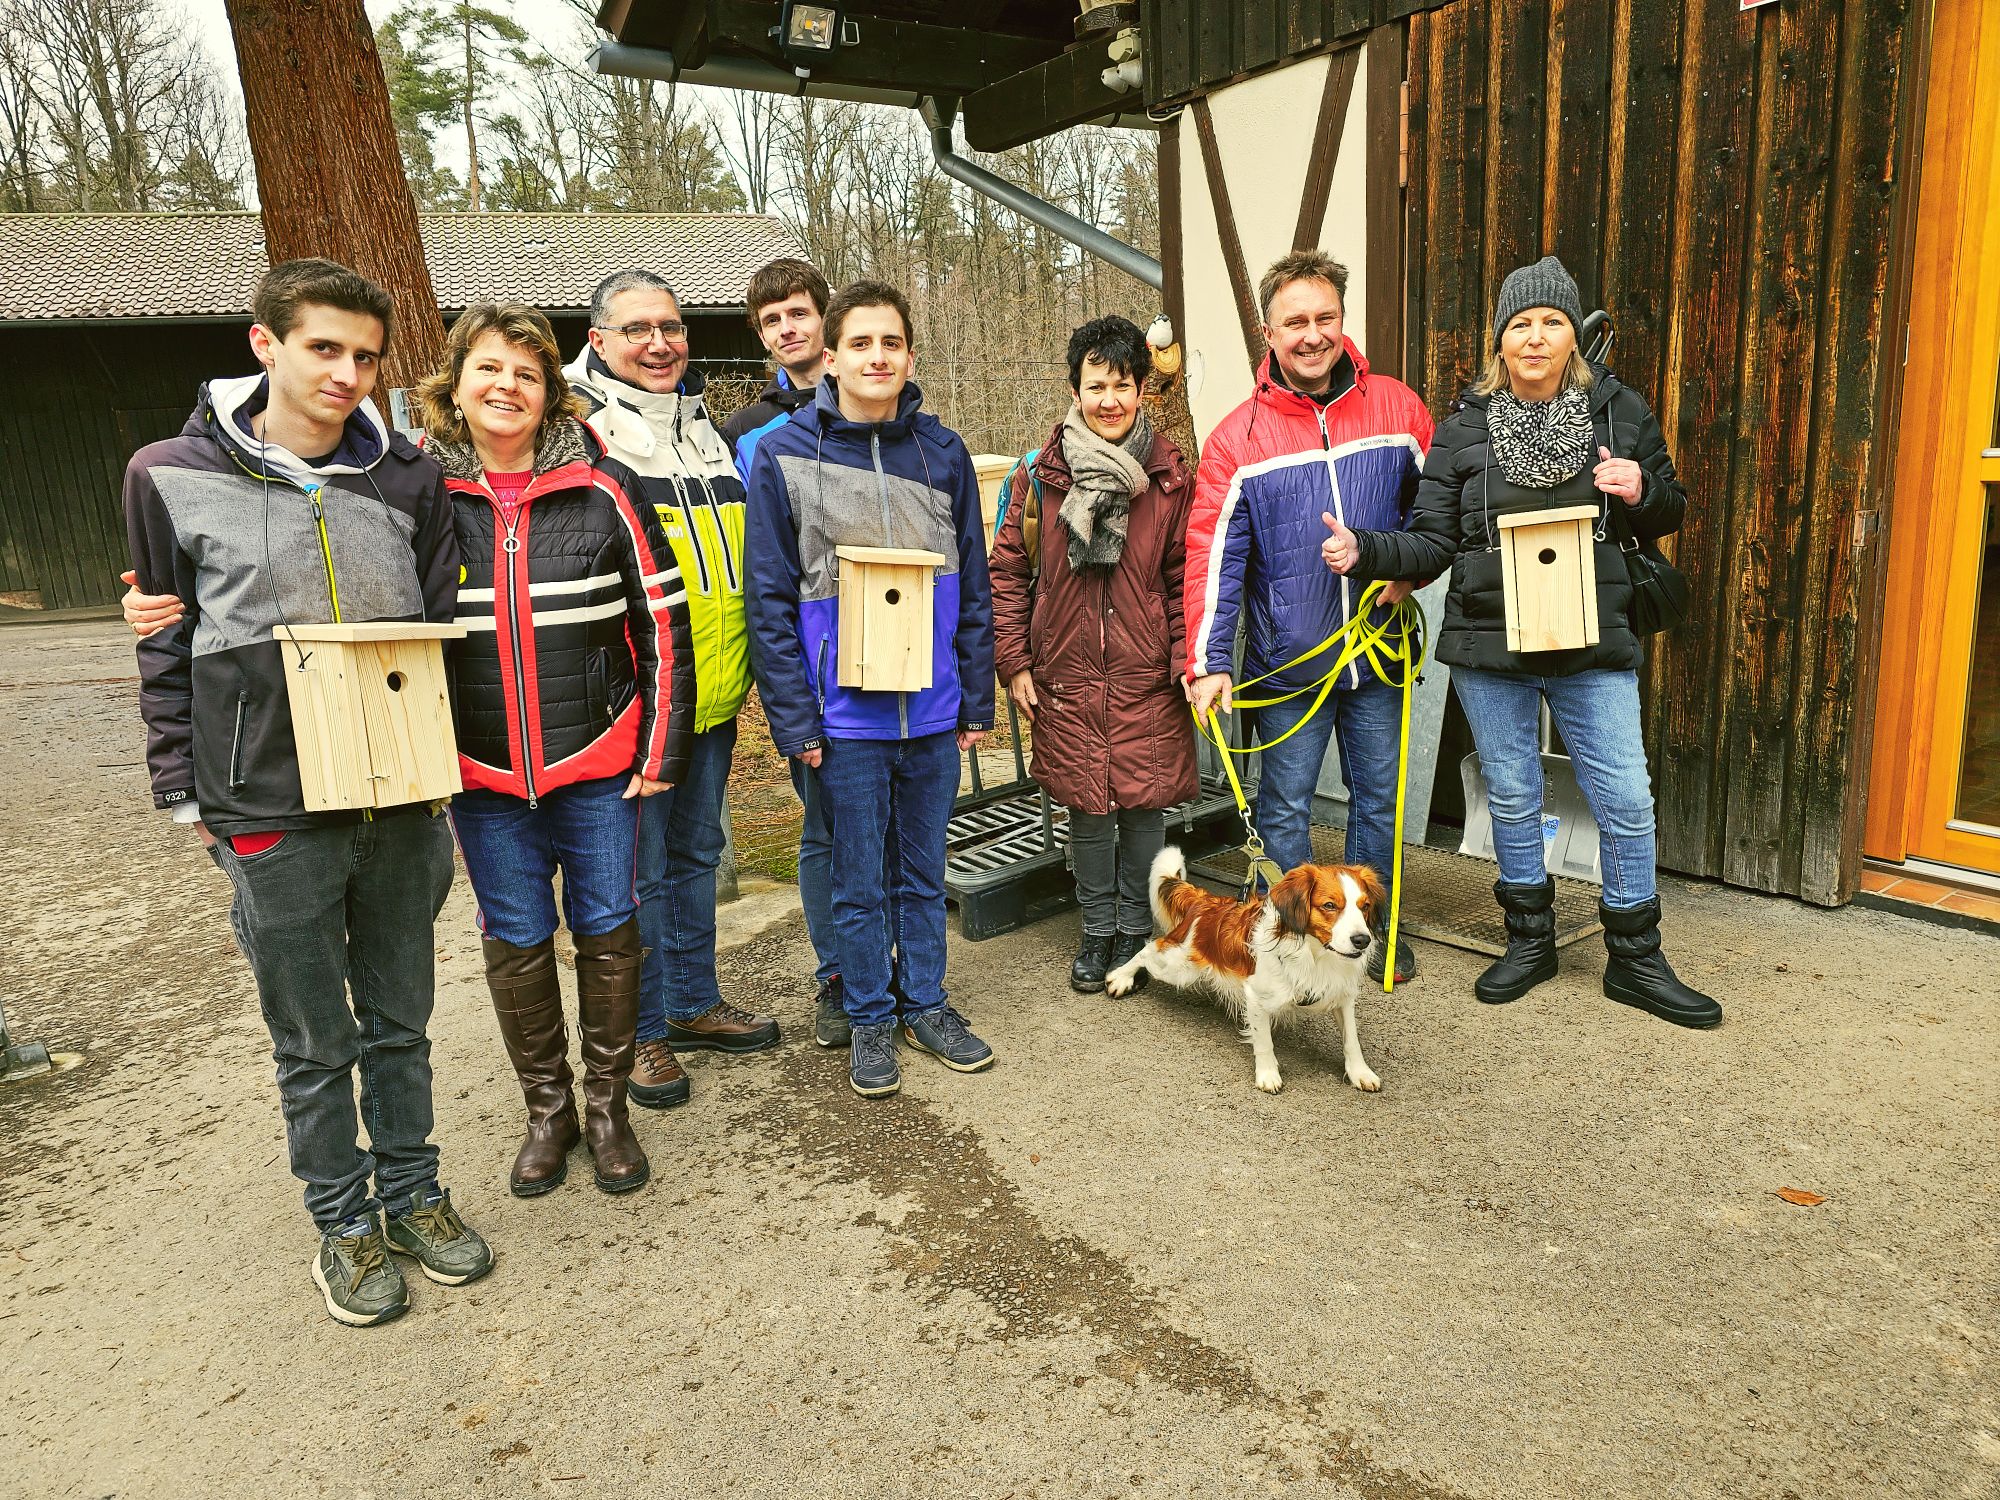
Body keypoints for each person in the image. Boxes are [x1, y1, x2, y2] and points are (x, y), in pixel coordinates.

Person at [121, 258, 491, 1329]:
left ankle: (414, 1194)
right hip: (268, 810)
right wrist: (186, 790)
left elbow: (431, 637)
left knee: (400, 1021)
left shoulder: (410, 480)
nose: (346, 373)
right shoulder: (167, 474)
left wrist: (440, 774)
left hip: (400, 800)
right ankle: (343, 1220)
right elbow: (165, 640)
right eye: (323, 348)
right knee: (311, 1037)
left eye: (366, 357)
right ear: (265, 343)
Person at [1323, 256, 1720, 1028]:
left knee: (1626, 798)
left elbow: (1668, 509)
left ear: (1573, 335)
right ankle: (1529, 941)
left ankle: (1636, 958)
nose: (1535, 338)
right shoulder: (1464, 430)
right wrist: (1367, 552)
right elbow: (1432, 540)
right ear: (1500, 341)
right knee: (1512, 793)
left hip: (1591, 640)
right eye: (1520, 325)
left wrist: (1641, 490)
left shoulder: (1619, 412)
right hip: (1491, 644)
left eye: (1551, 323)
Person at [419, 303, 683, 1195]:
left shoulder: (605, 489)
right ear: (455, 386)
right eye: (490, 369)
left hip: (597, 763)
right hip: (482, 774)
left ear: (551, 393)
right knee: (519, 940)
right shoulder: (420, 496)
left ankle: (607, 1107)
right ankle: (549, 1110)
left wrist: (658, 745)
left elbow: (663, 628)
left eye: (528, 374)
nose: (508, 388)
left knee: (609, 930)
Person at [743, 280, 997, 1099]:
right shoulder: (786, 455)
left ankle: (926, 1004)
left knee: (922, 873)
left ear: (910, 356)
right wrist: (794, 719)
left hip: (930, 708)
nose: (877, 357)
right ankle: (870, 1017)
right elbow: (769, 600)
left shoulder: (944, 453)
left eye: (891, 343)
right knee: (856, 879)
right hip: (842, 718)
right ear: (831, 357)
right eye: (860, 344)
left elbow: (976, 583)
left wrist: (976, 695)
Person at [1184, 250, 1435, 984]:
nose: (1312, 334)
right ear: (1269, 331)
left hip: (1377, 659)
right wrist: (1207, 663)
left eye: (1325, 317)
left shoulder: (1398, 409)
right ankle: (1287, 945)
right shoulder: (1239, 439)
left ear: (1343, 321)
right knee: (1285, 807)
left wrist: (1410, 569)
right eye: (1295, 321)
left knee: (1379, 803)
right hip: (1289, 666)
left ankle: (1371, 932)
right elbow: (1212, 558)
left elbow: (1439, 514)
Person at [566, 269, 778, 1113]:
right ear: (600, 341)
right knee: (641, 869)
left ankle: (692, 1001)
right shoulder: (586, 434)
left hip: (714, 690)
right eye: (638, 329)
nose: (660, 343)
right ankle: (642, 1028)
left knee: (696, 856)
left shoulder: (704, 429)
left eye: (672, 326)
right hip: (638, 698)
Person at [989, 315, 1197, 994]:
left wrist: (1185, 661)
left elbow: (1182, 579)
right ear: (1075, 389)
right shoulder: (1039, 476)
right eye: (1096, 384)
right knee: (1088, 810)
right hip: (1067, 672)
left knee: (1144, 808)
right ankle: (1097, 930)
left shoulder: (1168, 478)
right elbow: (1008, 574)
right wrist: (1015, 662)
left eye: (1123, 384)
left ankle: (1137, 932)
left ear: (1143, 390)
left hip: (1146, 674)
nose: (1110, 398)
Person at [720, 258, 852, 1049]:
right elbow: (757, 562)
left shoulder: (878, 398)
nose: (788, 329)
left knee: (893, 824)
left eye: (799, 313)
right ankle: (837, 975)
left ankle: (894, 961)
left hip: (888, 652)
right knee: (826, 829)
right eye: (772, 321)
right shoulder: (747, 432)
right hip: (808, 660)